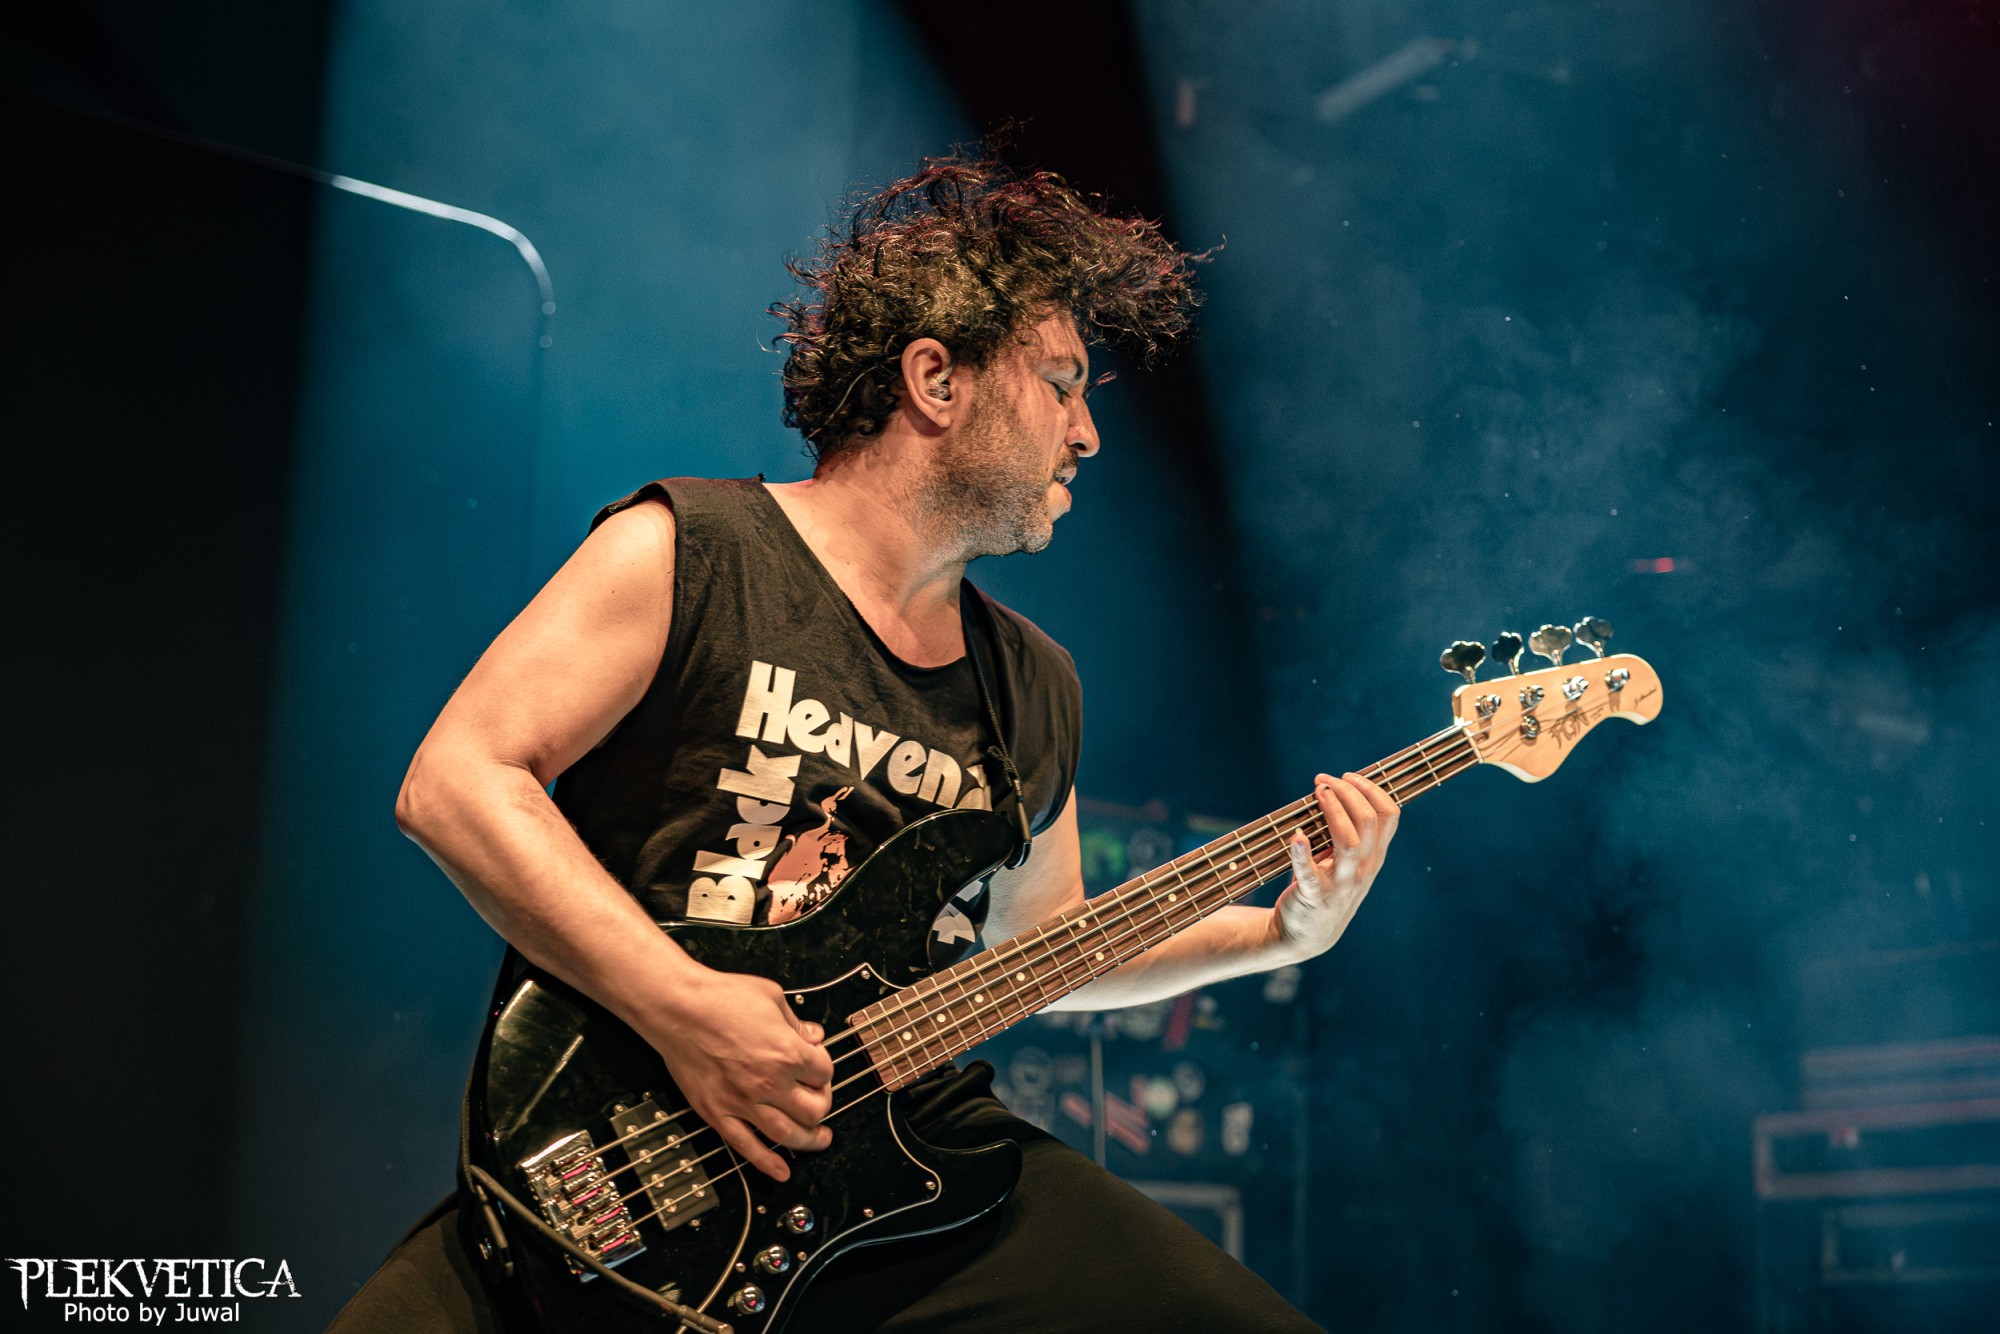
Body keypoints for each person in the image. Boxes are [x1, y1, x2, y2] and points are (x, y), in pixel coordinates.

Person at [329, 158, 1398, 1333]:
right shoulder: (691, 549)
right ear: (935, 378)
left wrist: (1280, 933)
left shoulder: (1032, 685)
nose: (1088, 433)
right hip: (623, 1154)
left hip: (904, 1179)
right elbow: (458, 781)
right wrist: (687, 1008)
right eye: (1058, 384)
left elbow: (1039, 947)